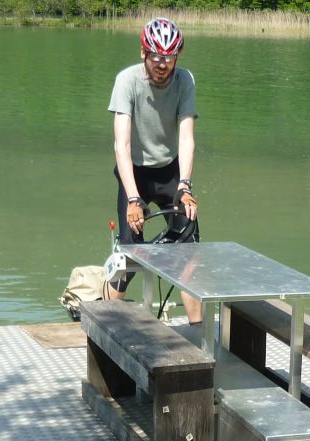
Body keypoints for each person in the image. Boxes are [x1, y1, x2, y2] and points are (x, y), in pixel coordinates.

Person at [106, 16, 202, 324]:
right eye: (157, 56)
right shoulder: (127, 81)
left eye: (169, 57)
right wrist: (134, 199)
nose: (162, 64)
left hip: (170, 172)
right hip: (134, 173)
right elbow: (121, 145)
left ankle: (199, 334)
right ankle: (103, 324)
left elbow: (186, 138)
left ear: (177, 56)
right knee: (128, 257)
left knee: (189, 250)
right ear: (144, 53)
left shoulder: (185, 80)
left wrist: (185, 186)